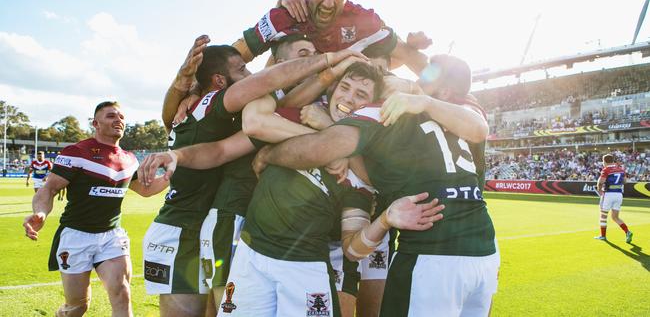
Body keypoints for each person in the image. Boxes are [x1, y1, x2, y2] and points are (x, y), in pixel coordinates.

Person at [253, 55, 498, 317]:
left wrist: (268, 155)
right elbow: (479, 129)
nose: (414, 81)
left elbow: (320, 148)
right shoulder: (466, 112)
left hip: (431, 252)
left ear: (445, 90)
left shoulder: (387, 109)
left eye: (425, 77)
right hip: (484, 250)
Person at [141, 35, 365, 317]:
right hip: (221, 219)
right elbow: (241, 129)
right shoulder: (242, 102)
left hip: (233, 224)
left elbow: (285, 99)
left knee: (218, 308)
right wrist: (331, 141)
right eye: (242, 71)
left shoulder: (282, 105)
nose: (250, 74)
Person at [22, 101, 168, 317]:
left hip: (112, 236)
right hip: (75, 236)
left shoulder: (129, 160)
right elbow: (49, 189)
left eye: (121, 117)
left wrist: (171, 177)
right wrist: (41, 213)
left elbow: (145, 190)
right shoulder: (77, 152)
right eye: (111, 116)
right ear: (96, 123)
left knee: (122, 292)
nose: (118, 120)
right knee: (77, 306)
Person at [233, 0, 429, 76]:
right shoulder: (284, 15)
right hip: (282, 100)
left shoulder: (363, 20)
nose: (328, 4)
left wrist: (440, 95)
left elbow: (410, 57)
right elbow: (231, 58)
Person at [594, 154, 633, 243]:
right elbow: (625, 181)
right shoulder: (620, 169)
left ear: (605, 161)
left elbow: (600, 182)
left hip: (608, 194)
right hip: (619, 194)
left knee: (603, 215)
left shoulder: (606, 169)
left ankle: (603, 236)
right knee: (615, 217)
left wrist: (600, 191)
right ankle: (627, 232)